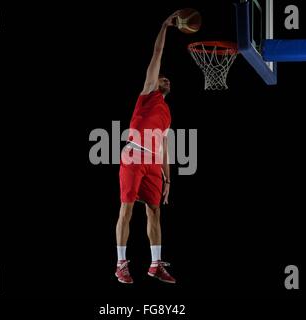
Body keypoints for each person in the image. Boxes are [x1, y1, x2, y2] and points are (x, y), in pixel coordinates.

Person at [114, 11, 179, 284]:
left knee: (155, 210)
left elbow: (164, 145)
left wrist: (168, 177)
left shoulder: (167, 112)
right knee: (126, 208)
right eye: (162, 77)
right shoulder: (148, 92)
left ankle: (155, 265)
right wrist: (164, 25)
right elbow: (158, 52)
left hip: (153, 162)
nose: (165, 79)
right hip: (133, 154)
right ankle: (120, 264)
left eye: (167, 80)